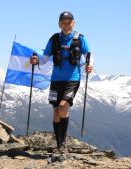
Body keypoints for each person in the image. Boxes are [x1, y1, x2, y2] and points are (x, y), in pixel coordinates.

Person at [30, 11, 94, 162]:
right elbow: (45, 58)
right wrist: (36, 60)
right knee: (56, 111)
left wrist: (89, 65)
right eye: (63, 22)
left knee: (63, 107)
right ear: (59, 24)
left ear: (73, 23)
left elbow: (89, 55)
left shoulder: (81, 39)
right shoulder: (54, 39)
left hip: (73, 79)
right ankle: (59, 145)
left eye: (69, 21)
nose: (66, 24)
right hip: (56, 80)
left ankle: (62, 145)